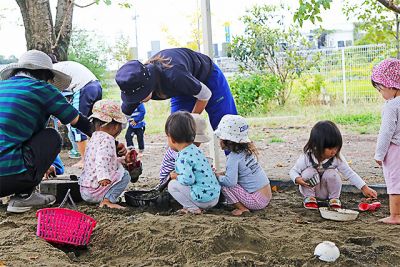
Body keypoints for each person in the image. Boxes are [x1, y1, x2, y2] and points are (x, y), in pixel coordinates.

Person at [0, 50, 93, 213]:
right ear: (46, 76)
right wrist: (111, 142)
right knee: (51, 136)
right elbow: (80, 122)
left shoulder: (3, 87)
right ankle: (23, 196)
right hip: (9, 176)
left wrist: (42, 164)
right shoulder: (42, 88)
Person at [115, 47, 237, 130]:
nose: (138, 101)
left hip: (208, 77)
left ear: (148, 86)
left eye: (139, 97)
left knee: (227, 126)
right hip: (182, 89)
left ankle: (240, 163)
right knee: (177, 131)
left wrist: (191, 121)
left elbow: (205, 94)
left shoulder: (174, 75)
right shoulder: (133, 85)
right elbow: (121, 122)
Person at [289, 120, 377, 210]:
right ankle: (309, 198)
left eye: (336, 148)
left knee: (332, 173)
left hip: (327, 191)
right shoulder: (307, 157)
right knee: (308, 172)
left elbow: (349, 173)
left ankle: (334, 199)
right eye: (330, 148)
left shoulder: (336, 158)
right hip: (311, 189)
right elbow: (293, 171)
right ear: (317, 146)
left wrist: (364, 188)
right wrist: (297, 179)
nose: (334, 151)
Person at [214, 115, 272, 216]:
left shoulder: (233, 158)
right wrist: (221, 174)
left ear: (227, 140)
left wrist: (216, 176)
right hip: (266, 196)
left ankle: (243, 209)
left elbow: (230, 182)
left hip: (256, 201)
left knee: (225, 184)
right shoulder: (246, 152)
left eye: (220, 138)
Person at [79, 100, 131, 209]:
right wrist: (103, 176)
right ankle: (107, 200)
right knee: (125, 175)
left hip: (85, 191)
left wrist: (122, 160)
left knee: (119, 169)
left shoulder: (93, 137)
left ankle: (106, 197)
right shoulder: (108, 139)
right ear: (116, 126)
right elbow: (101, 159)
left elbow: (107, 160)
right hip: (95, 191)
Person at [165, 111, 220, 214]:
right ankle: (197, 206)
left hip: (204, 200)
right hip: (215, 197)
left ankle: (192, 208)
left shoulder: (183, 157)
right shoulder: (196, 150)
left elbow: (188, 180)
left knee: (172, 185)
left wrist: (176, 176)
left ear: (171, 139)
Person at [53, 61, 103, 168]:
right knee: (93, 124)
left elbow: (56, 96)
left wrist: (65, 115)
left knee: (76, 125)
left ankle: (85, 160)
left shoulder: (50, 71)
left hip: (83, 88)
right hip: (96, 86)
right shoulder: (63, 66)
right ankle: (99, 157)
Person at [371, 58, 400, 224]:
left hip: (395, 149)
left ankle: (395, 216)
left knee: (395, 182)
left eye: (380, 89)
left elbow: (386, 133)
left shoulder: (392, 106)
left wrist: (379, 154)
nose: (381, 94)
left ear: (390, 85)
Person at [159, 113, 211, 185]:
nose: (197, 145)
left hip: (185, 174)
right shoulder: (178, 152)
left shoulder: (187, 149)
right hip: (169, 179)